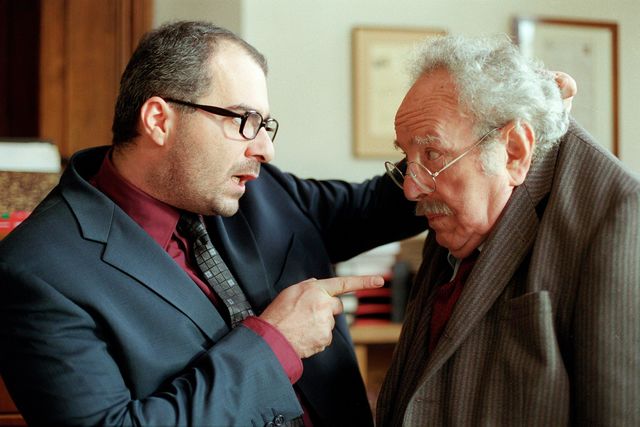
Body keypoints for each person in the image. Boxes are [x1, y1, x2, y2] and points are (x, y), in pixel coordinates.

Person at [0, 21, 427, 426]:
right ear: (158, 121)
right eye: (244, 121)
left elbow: (382, 205)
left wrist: (450, 139)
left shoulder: (260, 191)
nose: (266, 150)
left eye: (265, 125)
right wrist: (275, 346)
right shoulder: (36, 271)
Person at [376, 34, 640, 426]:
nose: (411, 189)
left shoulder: (617, 216)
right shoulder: (458, 203)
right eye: (406, 156)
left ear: (514, 151)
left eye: (432, 153)